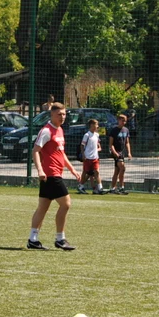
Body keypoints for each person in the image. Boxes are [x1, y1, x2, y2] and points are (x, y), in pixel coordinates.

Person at [27, 103, 81, 250]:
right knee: (66, 204)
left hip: (54, 174)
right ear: (51, 115)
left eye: (64, 114)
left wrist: (72, 170)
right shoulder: (46, 131)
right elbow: (35, 151)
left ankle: (33, 239)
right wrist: (40, 170)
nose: (62, 117)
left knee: (42, 207)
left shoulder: (60, 130)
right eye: (59, 114)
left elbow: (61, 154)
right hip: (50, 174)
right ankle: (60, 238)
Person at [77, 118, 105, 195]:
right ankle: (81, 186)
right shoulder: (87, 135)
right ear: (92, 125)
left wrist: (97, 150)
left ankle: (100, 187)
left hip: (95, 157)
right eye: (96, 125)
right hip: (87, 157)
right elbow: (82, 145)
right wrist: (83, 155)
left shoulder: (97, 134)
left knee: (97, 172)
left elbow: (97, 145)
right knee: (85, 172)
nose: (98, 126)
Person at [107, 113, 132, 194]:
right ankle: (121, 187)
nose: (124, 122)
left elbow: (127, 142)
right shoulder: (114, 130)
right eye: (122, 121)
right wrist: (115, 153)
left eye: (125, 121)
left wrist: (129, 152)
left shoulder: (126, 130)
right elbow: (111, 144)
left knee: (117, 171)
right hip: (116, 152)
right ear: (118, 120)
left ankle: (113, 188)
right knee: (123, 168)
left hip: (122, 152)